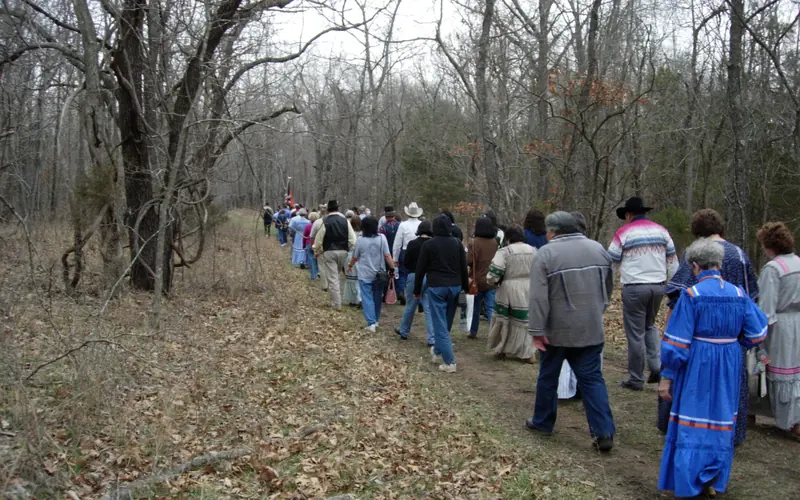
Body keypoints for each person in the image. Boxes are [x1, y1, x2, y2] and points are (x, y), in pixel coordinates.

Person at [658, 238, 767, 498]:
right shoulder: (739, 294)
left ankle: (688, 481)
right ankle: (713, 479)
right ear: (718, 264)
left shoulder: (692, 295)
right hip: (729, 362)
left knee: (693, 418)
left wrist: (667, 376)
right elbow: (758, 332)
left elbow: (677, 343)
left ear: (695, 266)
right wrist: (732, 341)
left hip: (698, 362)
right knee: (720, 418)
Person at [661, 209, 759, 444]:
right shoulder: (739, 254)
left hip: (698, 340)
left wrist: (668, 333)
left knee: (696, 390)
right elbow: (752, 299)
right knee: (728, 391)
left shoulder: (695, 254)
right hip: (731, 342)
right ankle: (729, 434)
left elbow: (678, 296)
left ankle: (690, 433)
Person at [526, 211, 616, 452]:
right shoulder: (598, 249)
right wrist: (598, 311)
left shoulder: (546, 253)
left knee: (548, 376)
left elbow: (537, 297)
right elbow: (608, 287)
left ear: (554, 231)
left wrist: (536, 329)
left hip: (556, 330)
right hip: (590, 326)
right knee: (592, 379)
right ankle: (603, 431)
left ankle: (543, 422)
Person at [608, 196, 679, 391]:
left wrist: (605, 287)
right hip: (658, 287)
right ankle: (656, 366)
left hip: (635, 287)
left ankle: (636, 378)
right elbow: (673, 263)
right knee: (649, 326)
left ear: (629, 215)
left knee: (635, 333)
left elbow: (611, 263)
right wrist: (674, 290)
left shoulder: (624, 233)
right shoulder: (662, 231)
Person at [756, 222, 800, 440]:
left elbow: (766, 309)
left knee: (782, 371)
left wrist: (759, 336)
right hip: (797, 323)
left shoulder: (773, 269)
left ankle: (789, 421)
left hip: (781, 327)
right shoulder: (798, 263)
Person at [415, 214, 469, 373]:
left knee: (439, 324)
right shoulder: (457, 243)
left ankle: (450, 362)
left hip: (437, 287)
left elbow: (420, 270)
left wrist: (417, 291)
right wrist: (465, 288)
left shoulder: (429, 245)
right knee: (446, 322)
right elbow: (463, 267)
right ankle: (438, 351)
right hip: (455, 286)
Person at [486, 225, 537, 361]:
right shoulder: (533, 250)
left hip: (509, 287)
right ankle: (528, 353)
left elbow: (494, 272)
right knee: (524, 321)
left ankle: (502, 348)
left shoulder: (505, 251)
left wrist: (492, 281)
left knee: (504, 319)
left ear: (508, 238)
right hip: (529, 287)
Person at [348, 216, 394, 332]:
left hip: (365, 273)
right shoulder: (382, 238)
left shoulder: (360, 240)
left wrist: (350, 265)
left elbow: (355, 256)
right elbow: (387, 255)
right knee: (377, 297)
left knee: (367, 298)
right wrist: (393, 268)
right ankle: (376, 320)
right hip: (379, 274)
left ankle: (371, 322)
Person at [395, 221, 435, 344]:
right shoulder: (433, 244)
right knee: (429, 308)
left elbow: (406, 262)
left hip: (414, 275)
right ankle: (431, 338)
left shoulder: (412, 244)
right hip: (429, 277)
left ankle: (404, 331)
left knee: (410, 305)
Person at [313, 200, 357, 310]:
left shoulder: (325, 221)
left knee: (333, 278)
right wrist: (350, 249)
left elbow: (319, 239)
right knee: (336, 275)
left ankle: (336, 304)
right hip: (343, 251)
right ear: (337, 209)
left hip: (329, 252)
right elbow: (353, 239)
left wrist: (316, 249)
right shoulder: (345, 221)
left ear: (328, 210)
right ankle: (336, 301)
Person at [467, 217, 499, 339]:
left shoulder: (473, 242)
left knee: (475, 308)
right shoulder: (494, 242)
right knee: (491, 308)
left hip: (477, 280)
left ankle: (473, 331)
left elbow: (469, 260)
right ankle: (494, 333)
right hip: (491, 279)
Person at [394, 202, 424, 305]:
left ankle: (403, 292)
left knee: (403, 274)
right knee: (419, 274)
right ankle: (419, 298)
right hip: (420, 250)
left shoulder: (403, 225)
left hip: (405, 250)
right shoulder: (421, 224)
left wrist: (395, 258)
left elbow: (397, 243)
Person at [343, 216, 363, 308]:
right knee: (358, 279)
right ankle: (358, 299)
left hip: (350, 255)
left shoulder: (349, 233)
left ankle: (356, 299)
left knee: (351, 279)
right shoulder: (363, 234)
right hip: (361, 257)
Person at [310, 205, 328, 290]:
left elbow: (312, 236)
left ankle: (325, 285)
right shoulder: (334, 221)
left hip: (321, 247)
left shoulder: (317, 222)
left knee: (322, 266)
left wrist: (312, 246)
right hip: (333, 247)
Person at [304, 212, 320, 281]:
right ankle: (319, 273)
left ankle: (313, 276)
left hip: (309, 243)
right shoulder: (320, 225)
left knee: (312, 260)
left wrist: (303, 244)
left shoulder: (308, 226)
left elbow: (304, 236)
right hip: (318, 244)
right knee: (318, 260)